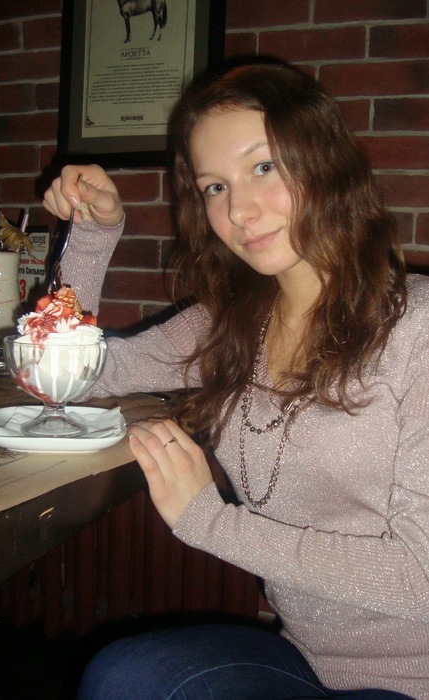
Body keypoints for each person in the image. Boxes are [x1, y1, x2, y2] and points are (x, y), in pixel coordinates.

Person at [43, 60, 429, 699]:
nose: (241, 210)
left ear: (325, 161)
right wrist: (92, 234)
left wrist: (209, 522)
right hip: (303, 659)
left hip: (415, 678)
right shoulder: (226, 323)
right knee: (121, 675)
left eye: (264, 167)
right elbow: (72, 375)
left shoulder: (417, 328)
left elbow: (421, 579)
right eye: (214, 187)